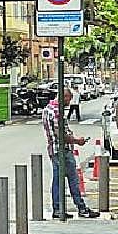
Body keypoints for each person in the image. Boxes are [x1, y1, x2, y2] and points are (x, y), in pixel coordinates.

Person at [43, 89, 99, 219]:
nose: (70, 101)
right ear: (64, 97)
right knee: (72, 180)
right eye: (69, 98)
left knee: (58, 179)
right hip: (62, 151)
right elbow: (60, 134)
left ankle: (58, 208)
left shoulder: (48, 109)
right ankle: (81, 208)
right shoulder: (56, 112)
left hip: (55, 150)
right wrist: (76, 140)